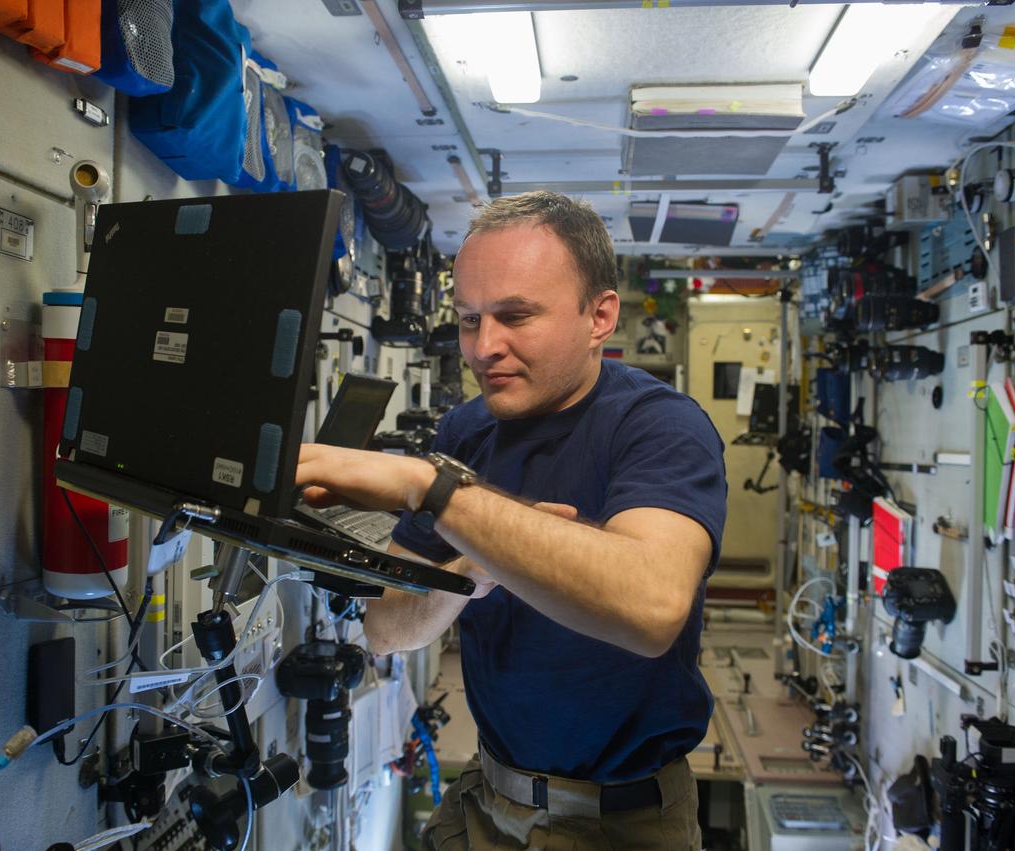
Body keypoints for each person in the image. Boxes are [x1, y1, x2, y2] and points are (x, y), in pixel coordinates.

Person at [296, 191, 726, 850]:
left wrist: (427, 486)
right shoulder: (466, 431)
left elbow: (651, 605)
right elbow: (386, 629)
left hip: (618, 822)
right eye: (469, 319)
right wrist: (470, 572)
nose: (484, 347)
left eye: (516, 315)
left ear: (599, 315)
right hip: (486, 798)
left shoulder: (659, 427)